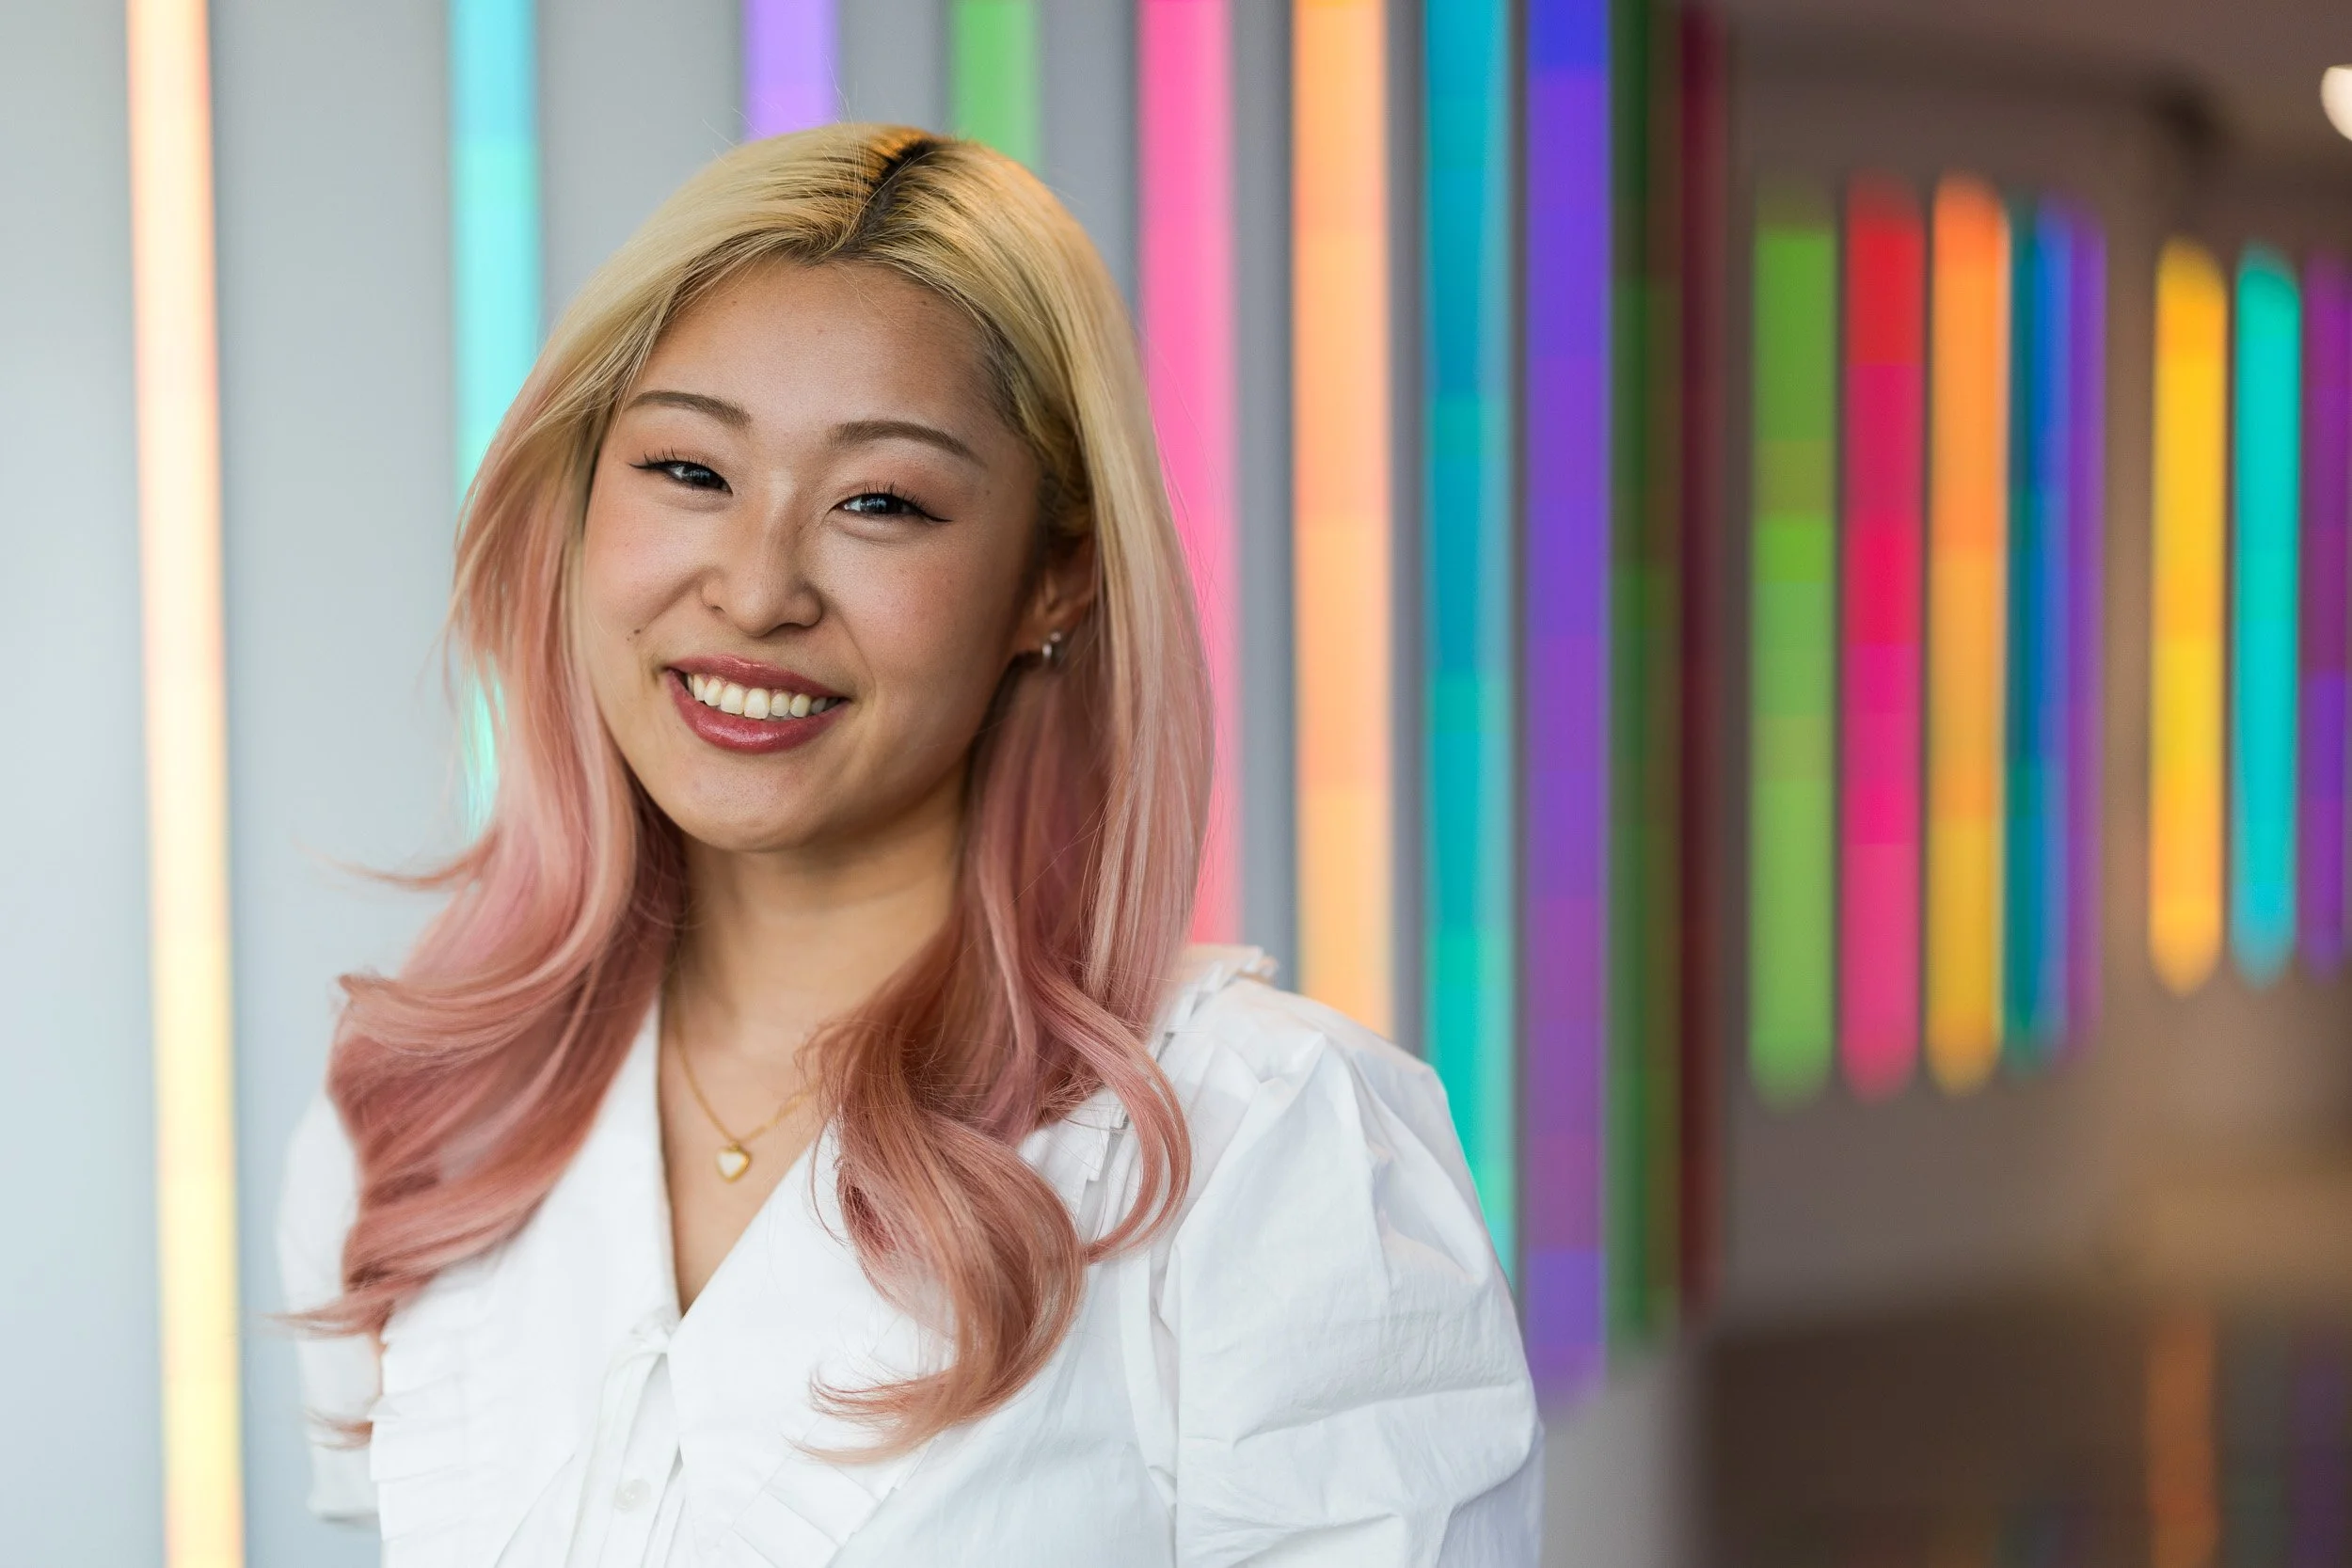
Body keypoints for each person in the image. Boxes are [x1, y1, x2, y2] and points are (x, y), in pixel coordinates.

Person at [280, 122, 1540, 1566]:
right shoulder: (417, 1125)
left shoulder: (1265, 1149)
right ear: (575, 505)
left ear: (1050, 576)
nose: (755, 590)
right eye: (688, 470)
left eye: (880, 501)